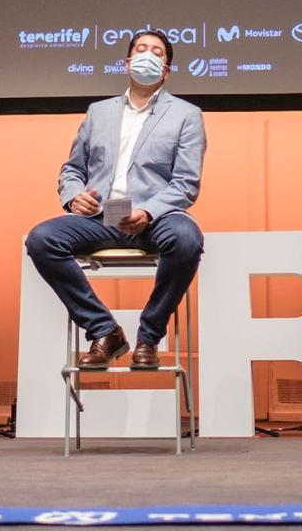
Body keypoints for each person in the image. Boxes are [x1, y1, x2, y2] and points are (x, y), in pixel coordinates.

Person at [24, 30, 206, 369]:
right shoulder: (98, 112)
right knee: (41, 238)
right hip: (102, 217)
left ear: (166, 70)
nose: (147, 55)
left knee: (187, 239)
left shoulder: (186, 115)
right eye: (141, 49)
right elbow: (72, 169)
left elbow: (185, 183)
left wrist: (149, 212)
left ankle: (149, 337)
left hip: (156, 217)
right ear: (127, 62)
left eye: (156, 52)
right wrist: (74, 195)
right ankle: (104, 330)